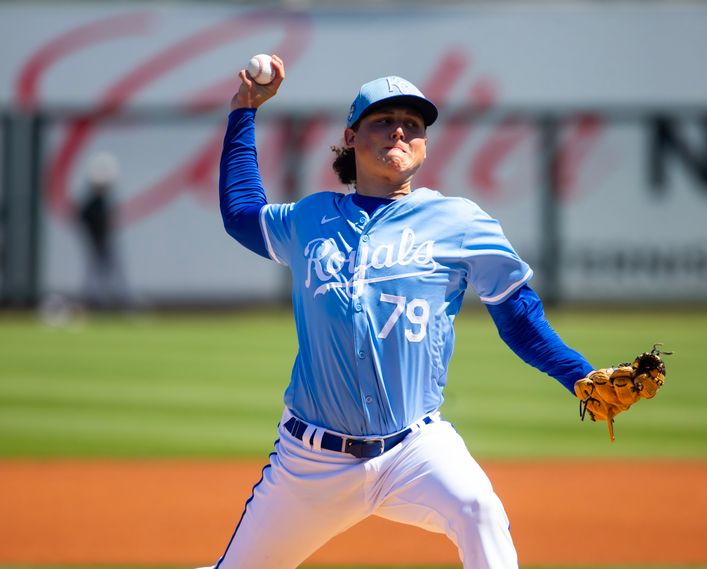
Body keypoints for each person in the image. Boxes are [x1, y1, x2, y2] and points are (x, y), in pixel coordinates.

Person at [211, 55, 596, 569]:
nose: (399, 131)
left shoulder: (458, 222)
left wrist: (579, 375)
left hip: (415, 448)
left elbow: (518, 314)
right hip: (310, 462)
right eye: (383, 121)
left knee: (477, 508)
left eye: (412, 124)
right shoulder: (310, 219)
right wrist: (244, 111)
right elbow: (241, 215)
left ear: (425, 143)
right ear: (351, 137)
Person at [75, 151, 130, 311]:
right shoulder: (92, 202)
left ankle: (111, 301)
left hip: (102, 240)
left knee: (106, 270)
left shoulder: (99, 201)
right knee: (98, 271)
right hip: (98, 240)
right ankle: (96, 302)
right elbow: (86, 218)